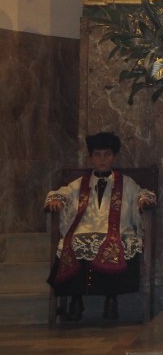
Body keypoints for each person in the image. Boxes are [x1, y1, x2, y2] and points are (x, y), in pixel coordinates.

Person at [45, 132, 156, 322]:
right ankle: (76, 299)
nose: (102, 159)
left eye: (107, 154)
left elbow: (141, 194)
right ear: (91, 157)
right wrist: (56, 200)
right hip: (84, 230)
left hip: (117, 231)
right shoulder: (79, 183)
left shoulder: (126, 183)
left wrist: (143, 199)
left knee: (113, 245)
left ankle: (111, 299)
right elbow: (62, 193)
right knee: (75, 244)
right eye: (97, 154)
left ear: (113, 156)